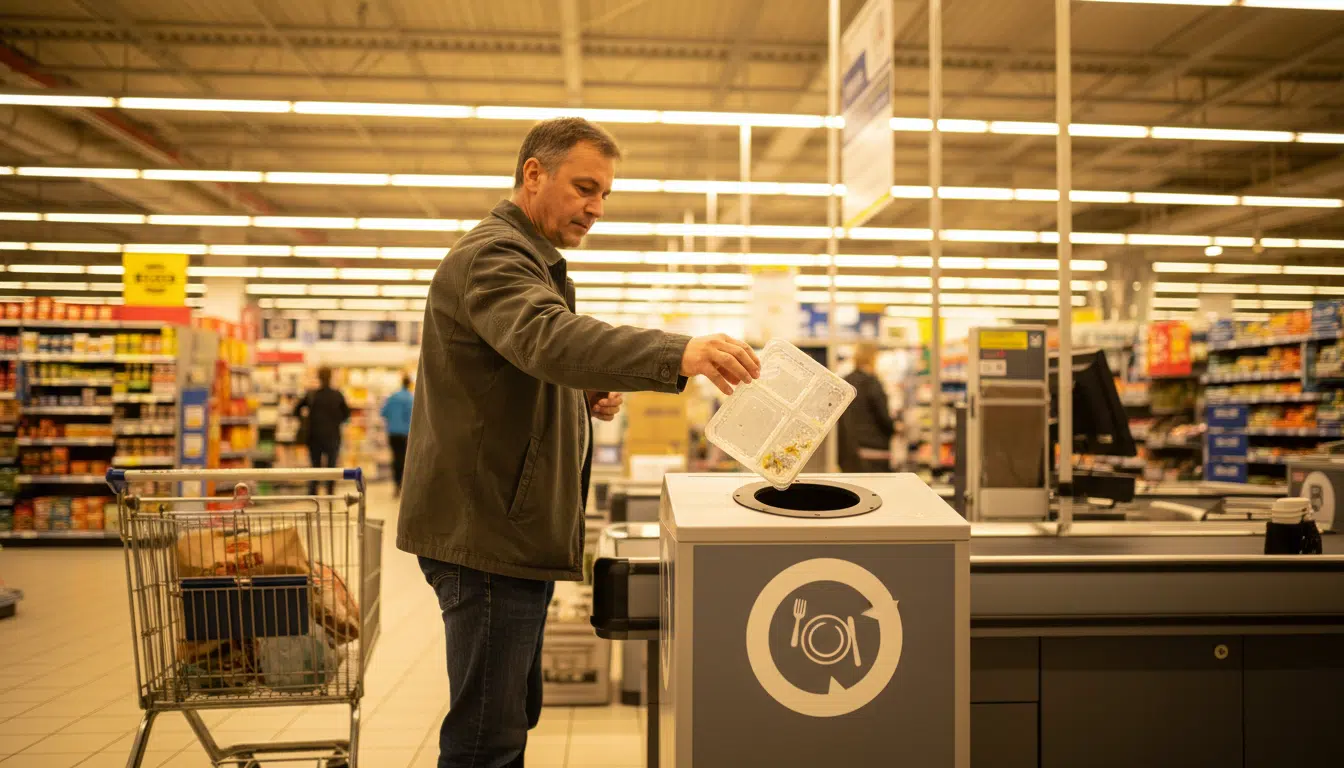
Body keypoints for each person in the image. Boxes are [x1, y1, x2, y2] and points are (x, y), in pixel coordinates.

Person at [397, 117, 760, 768]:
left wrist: (576, 394)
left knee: (509, 718)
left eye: (605, 194)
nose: (597, 208)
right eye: (585, 188)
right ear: (533, 174)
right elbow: (548, 339)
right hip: (487, 536)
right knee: (486, 739)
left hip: (509, 532)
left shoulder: (534, 263)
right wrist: (679, 351)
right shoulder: (494, 256)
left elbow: (520, 365)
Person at [838, 343, 897, 473]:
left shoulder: (845, 381)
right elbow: (883, 416)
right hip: (874, 448)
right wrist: (894, 428)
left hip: (849, 450)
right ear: (872, 358)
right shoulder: (872, 382)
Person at [293, 366, 351, 495]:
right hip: (333, 436)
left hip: (314, 436)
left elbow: (296, 410)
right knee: (331, 467)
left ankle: (313, 493)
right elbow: (347, 414)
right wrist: (336, 421)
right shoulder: (337, 395)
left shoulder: (311, 395)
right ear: (331, 377)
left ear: (318, 377)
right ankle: (330, 493)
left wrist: (305, 419)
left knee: (315, 466)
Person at [380, 374, 414, 497]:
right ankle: (403, 485)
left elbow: (383, 412)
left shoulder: (393, 397)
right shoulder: (411, 398)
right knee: (405, 459)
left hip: (392, 433)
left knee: (395, 458)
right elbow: (413, 417)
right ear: (409, 384)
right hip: (406, 434)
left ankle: (396, 485)